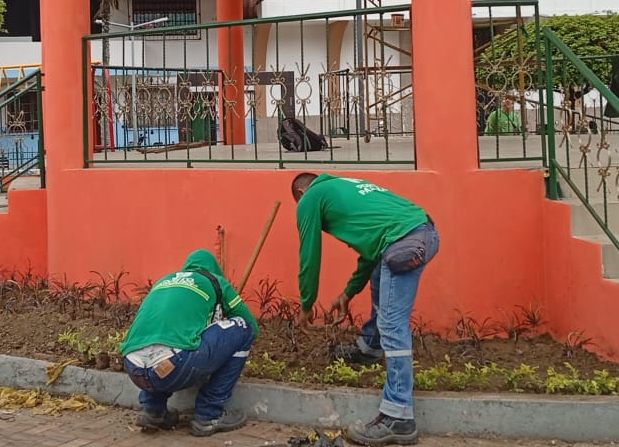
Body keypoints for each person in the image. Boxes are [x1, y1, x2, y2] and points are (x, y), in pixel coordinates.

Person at [291, 173, 440, 447]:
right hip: (420, 230)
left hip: (405, 242)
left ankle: (399, 416)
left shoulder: (309, 198)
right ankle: (371, 347)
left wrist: (307, 304)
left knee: (393, 325)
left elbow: (309, 253)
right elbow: (372, 254)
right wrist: (348, 293)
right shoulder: (344, 185)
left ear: (301, 193)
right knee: (379, 273)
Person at [120, 249, 258, 437]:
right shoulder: (215, 281)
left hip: (133, 367)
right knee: (243, 328)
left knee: (163, 340)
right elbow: (252, 326)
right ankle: (209, 414)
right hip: (173, 367)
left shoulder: (164, 281)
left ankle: (152, 410)